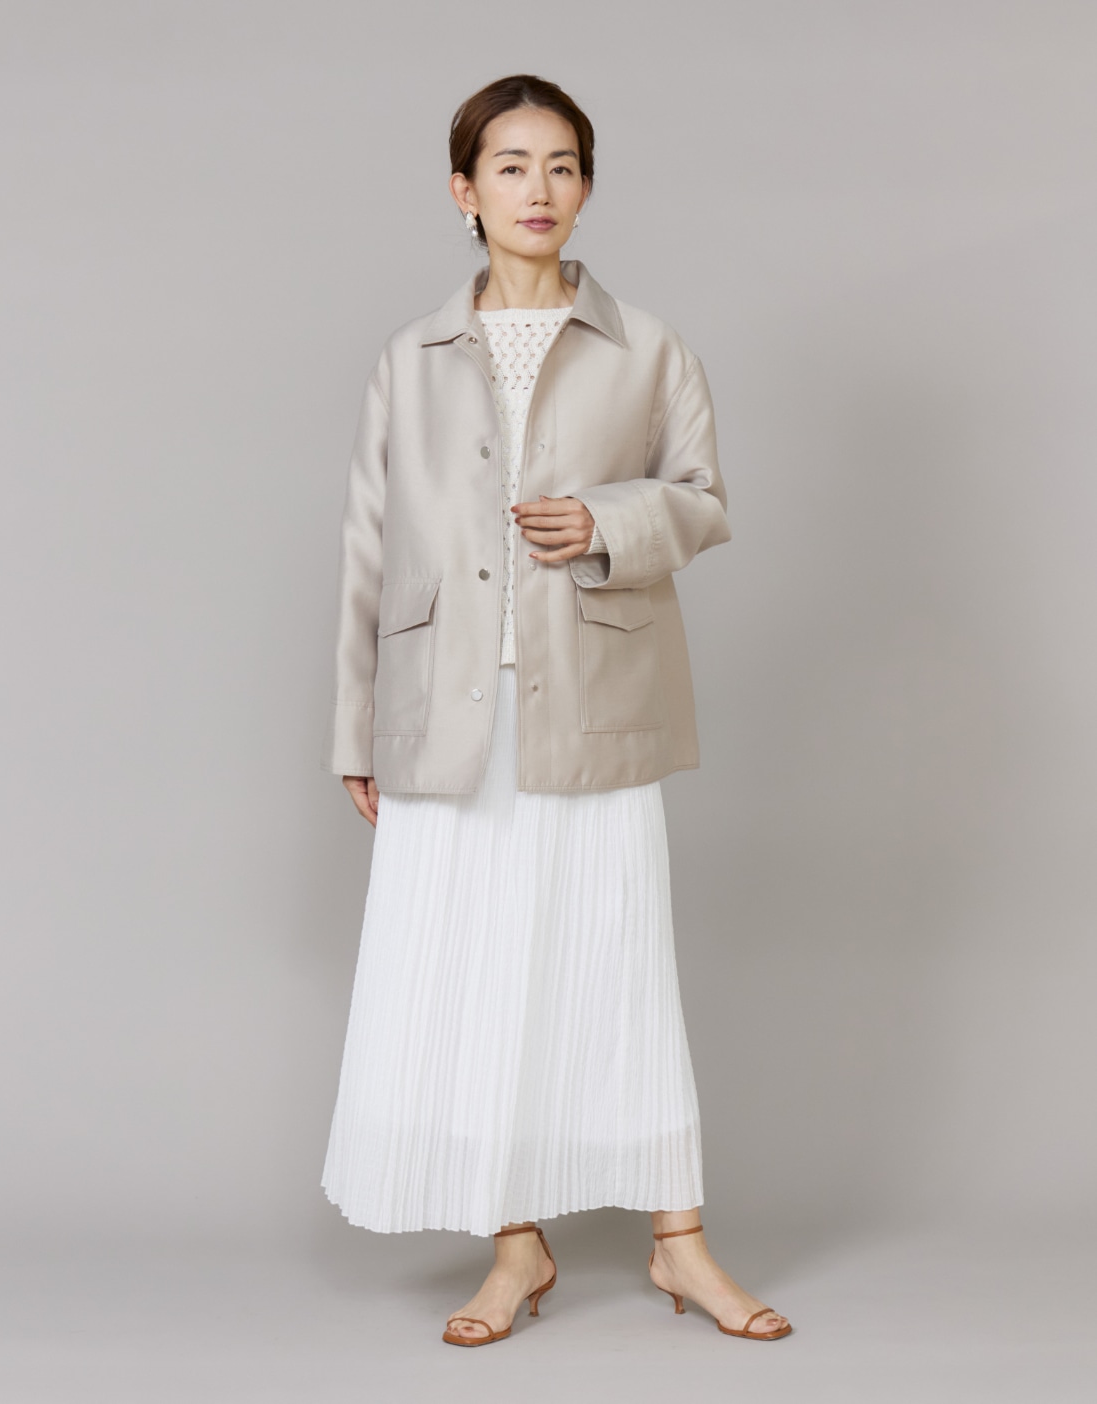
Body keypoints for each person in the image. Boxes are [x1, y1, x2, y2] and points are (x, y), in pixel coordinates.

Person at [319, 73, 792, 1347]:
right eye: (512, 165)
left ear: (587, 187)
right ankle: (515, 1246)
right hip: (447, 712)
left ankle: (679, 1244)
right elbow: (368, 547)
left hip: (595, 703)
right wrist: (356, 730)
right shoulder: (410, 359)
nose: (540, 189)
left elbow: (704, 499)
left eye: (564, 165)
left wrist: (606, 521)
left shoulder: (650, 347)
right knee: (482, 979)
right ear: (464, 191)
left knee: (620, 967)